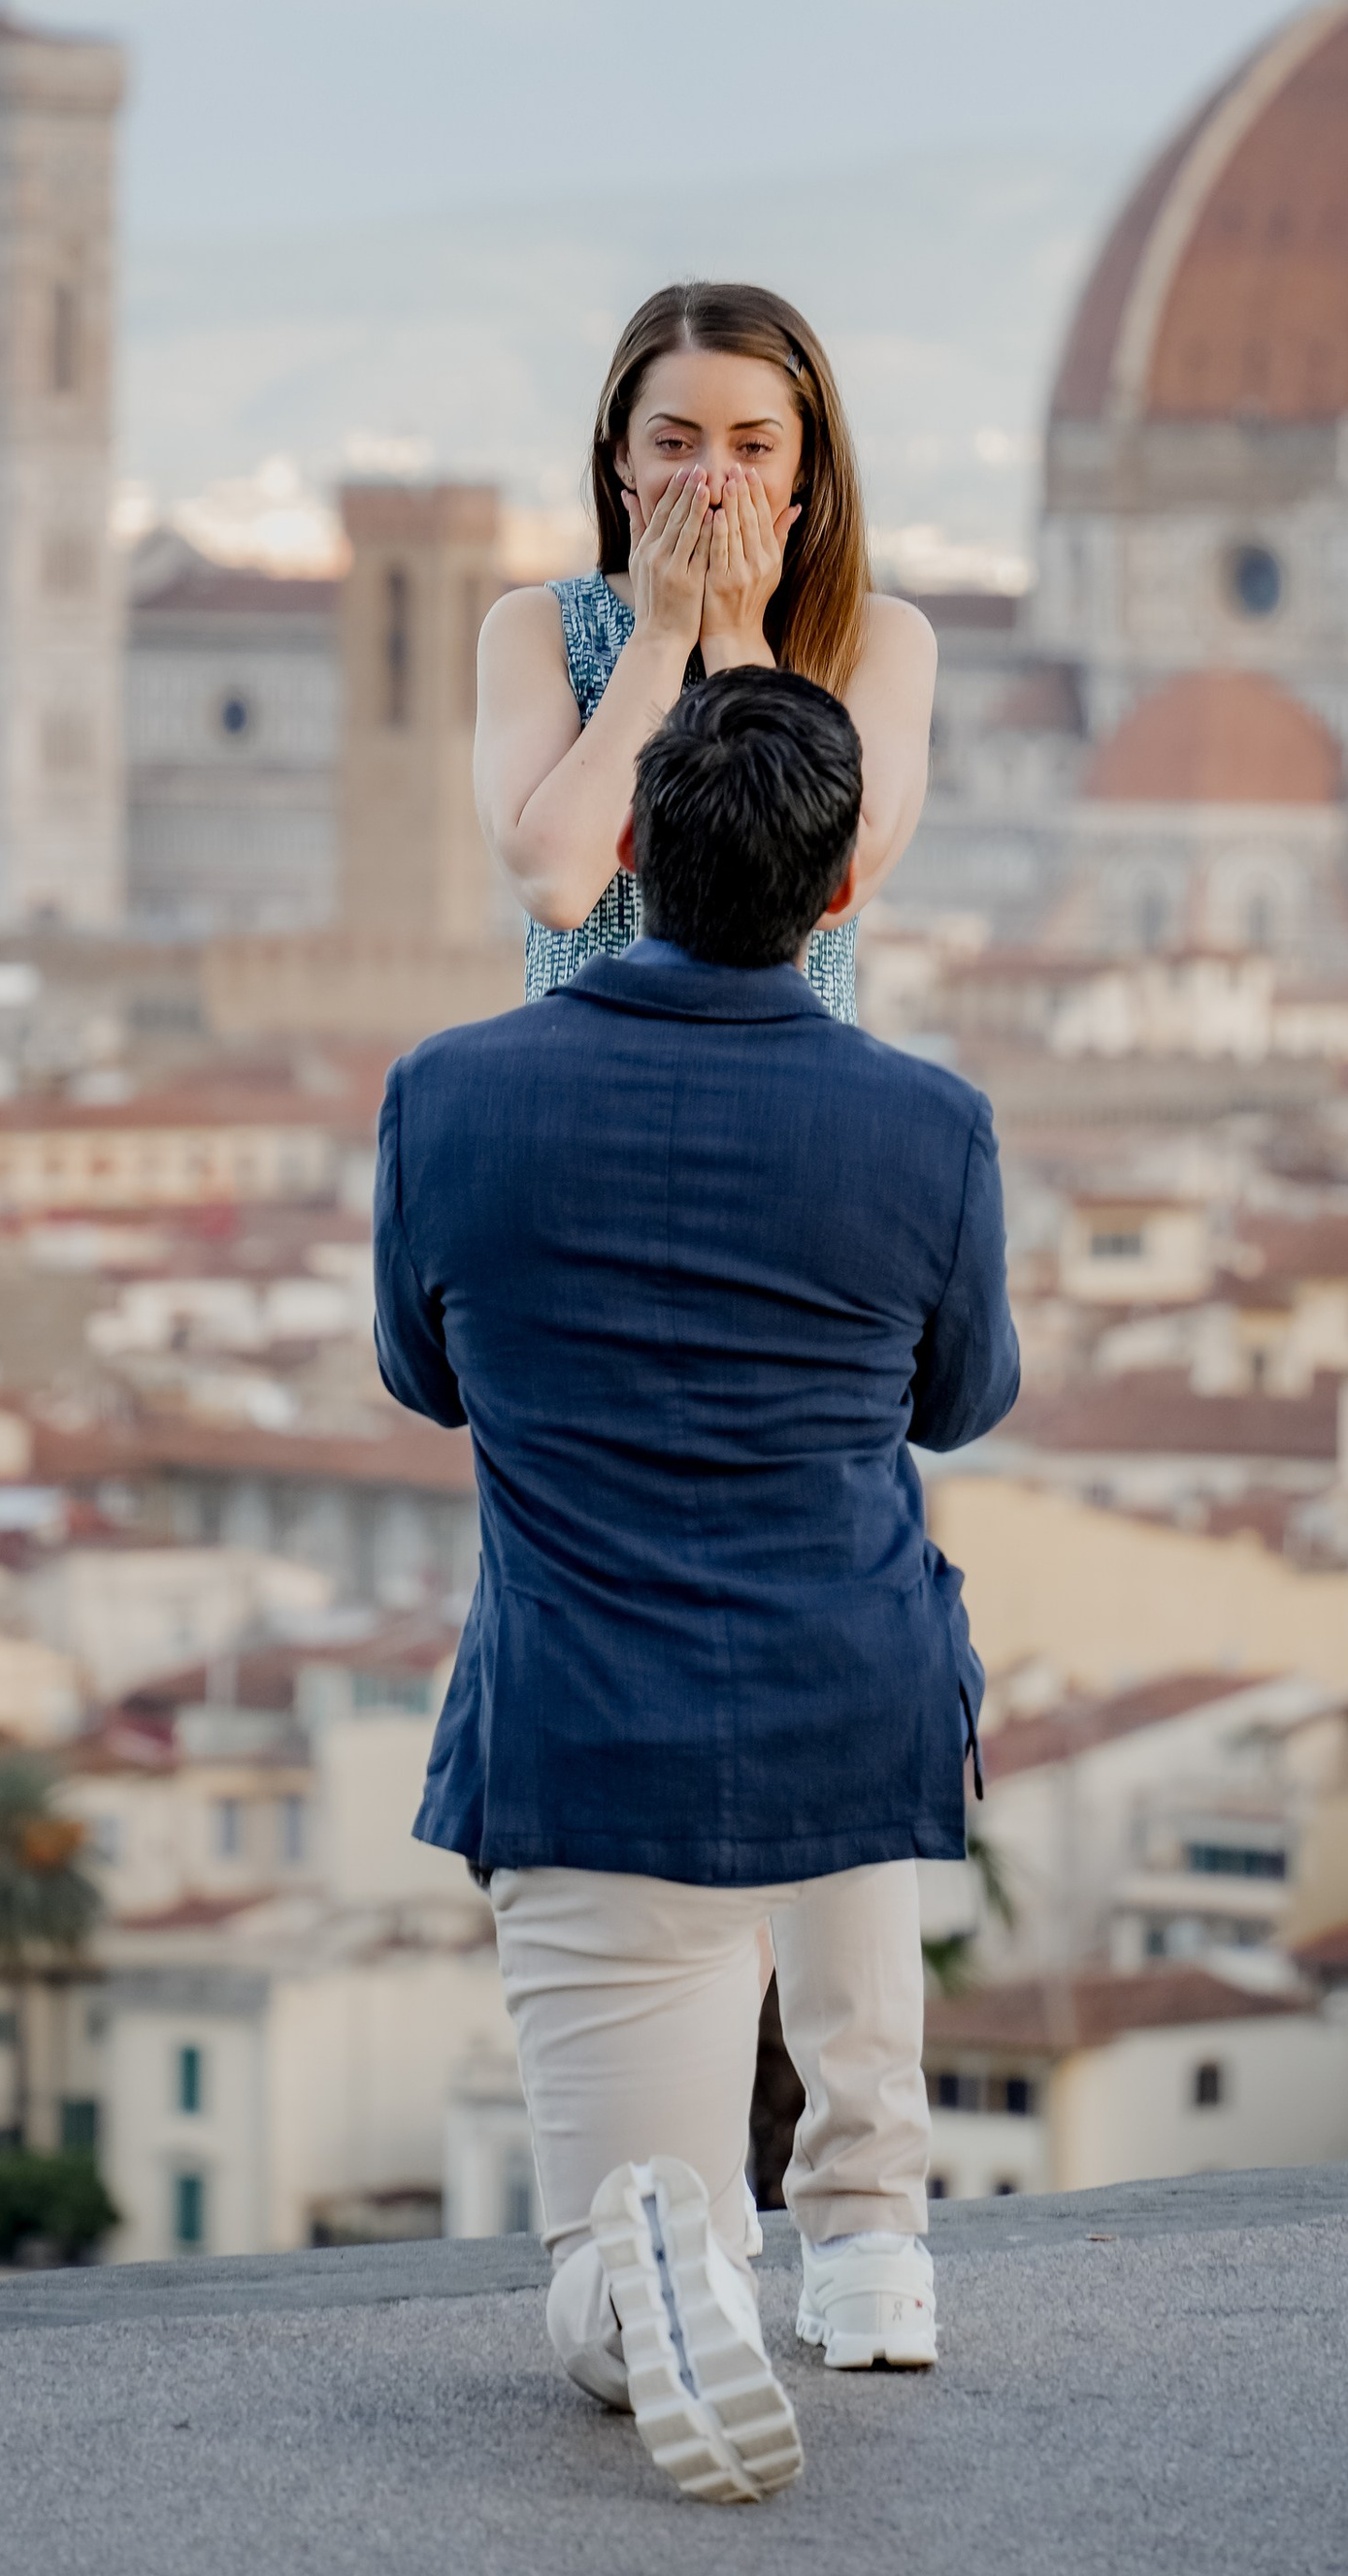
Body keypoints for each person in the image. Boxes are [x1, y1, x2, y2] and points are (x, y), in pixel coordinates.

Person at [375, 669, 1019, 2504]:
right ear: (839, 901)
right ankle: (869, 2245)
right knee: (852, 1850)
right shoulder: (930, 1124)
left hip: (591, 1735)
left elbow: (426, 1379)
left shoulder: (450, 1093)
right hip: (846, 1699)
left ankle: (677, 2272)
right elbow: (961, 1401)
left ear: (635, 851)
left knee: (605, 2267)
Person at [475, 278, 937, 1023]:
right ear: (622, 456)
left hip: (785, 1108)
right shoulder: (535, 628)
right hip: (595, 1097)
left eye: (753, 446)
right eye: (674, 443)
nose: (713, 481)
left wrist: (732, 635)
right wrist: (660, 637)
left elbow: (828, 885)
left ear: (805, 466)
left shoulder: (880, 642)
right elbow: (557, 883)